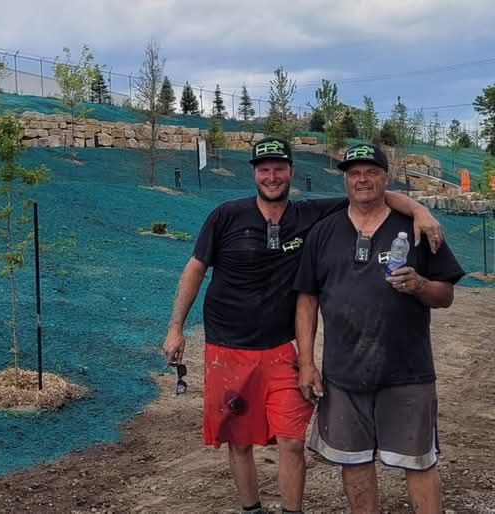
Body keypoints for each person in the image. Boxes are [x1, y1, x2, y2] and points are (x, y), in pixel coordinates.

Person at [162, 137, 444, 514]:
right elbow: (195, 268)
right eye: (264, 169)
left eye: (279, 169)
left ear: (291, 172)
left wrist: (419, 209)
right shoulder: (226, 216)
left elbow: (369, 194)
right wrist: (176, 327)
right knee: (239, 440)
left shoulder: (311, 215)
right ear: (254, 173)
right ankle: (251, 509)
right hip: (226, 347)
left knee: (292, 440)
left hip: (282, 348)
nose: (272, 176)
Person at [294, 143, 464, 514]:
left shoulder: (416, 228)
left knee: (419, 461)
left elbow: (446, 295)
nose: (362, 179)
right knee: (353, 462)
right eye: (354, 173)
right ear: (345, 180)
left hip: (408, 372)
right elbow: (307, 299)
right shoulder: (323, 232)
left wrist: (420, 285)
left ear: (386, 178)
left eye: (371, 172)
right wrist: (306, 363)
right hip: (343, 374)